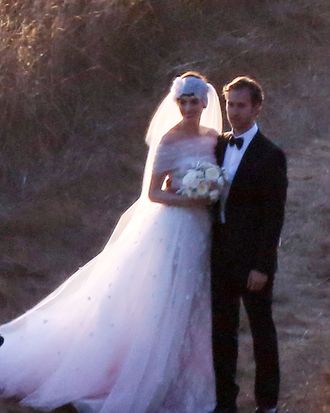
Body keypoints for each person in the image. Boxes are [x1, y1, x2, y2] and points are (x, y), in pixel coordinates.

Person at [0, 72, 222, 413]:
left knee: (194, 300)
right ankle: (146, 376)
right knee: (164, 298)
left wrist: (207, 191)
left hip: (201, 229)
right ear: (178, 105)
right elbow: (153, 192)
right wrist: (188, 199)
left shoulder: (212, 139)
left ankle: (186, 377)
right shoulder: (168, 141)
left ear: (205, 102)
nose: (189, 107)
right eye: (184, 102)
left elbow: (216, 177)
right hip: (174, 226)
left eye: (195, 101)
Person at [211, 76, 288, 413]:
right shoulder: (217, 145)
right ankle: (224, 402)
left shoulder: (271, 155)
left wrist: (262, 266)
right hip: (219, 256)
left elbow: (274, 217)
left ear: (257, 108)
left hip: (252, 260)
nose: (234, 112)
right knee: (222, 333)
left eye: (242, 106)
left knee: (261, 333)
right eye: (230, 104)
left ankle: (267, 403)